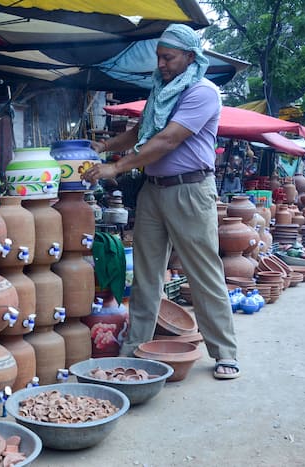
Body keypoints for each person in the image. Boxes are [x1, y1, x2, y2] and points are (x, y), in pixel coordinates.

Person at [82, 24, 240, 379]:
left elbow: (168, 139)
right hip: (154, 188)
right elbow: (143, 131)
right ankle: (135, 347)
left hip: (191, 190)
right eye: (159, 57)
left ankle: (224, 352)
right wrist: (106, 146)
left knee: (204, 273)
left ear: (190, 56)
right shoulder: (161, 91)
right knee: (146, 273)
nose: (162, 64)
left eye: (168, 57)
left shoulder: (203, 92)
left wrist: (116, 168)